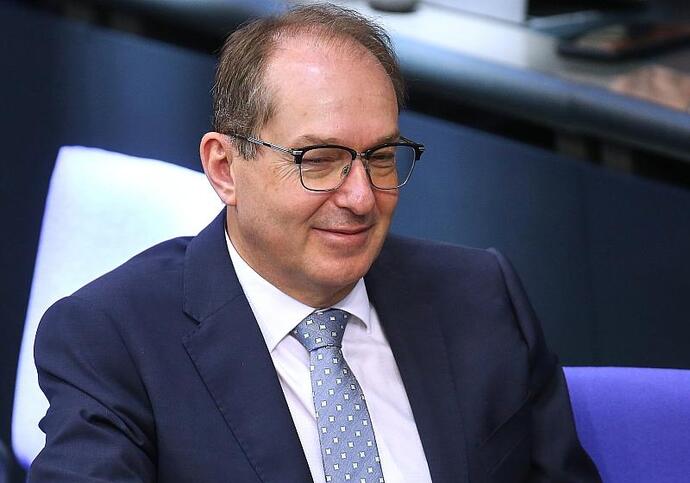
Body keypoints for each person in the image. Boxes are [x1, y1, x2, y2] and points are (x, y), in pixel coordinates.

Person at [30, 4, 600, 482]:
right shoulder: (115, 340)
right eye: (319, 160)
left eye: (380, 157)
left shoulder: (481, 297)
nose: (361, 197)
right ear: (224, 168)